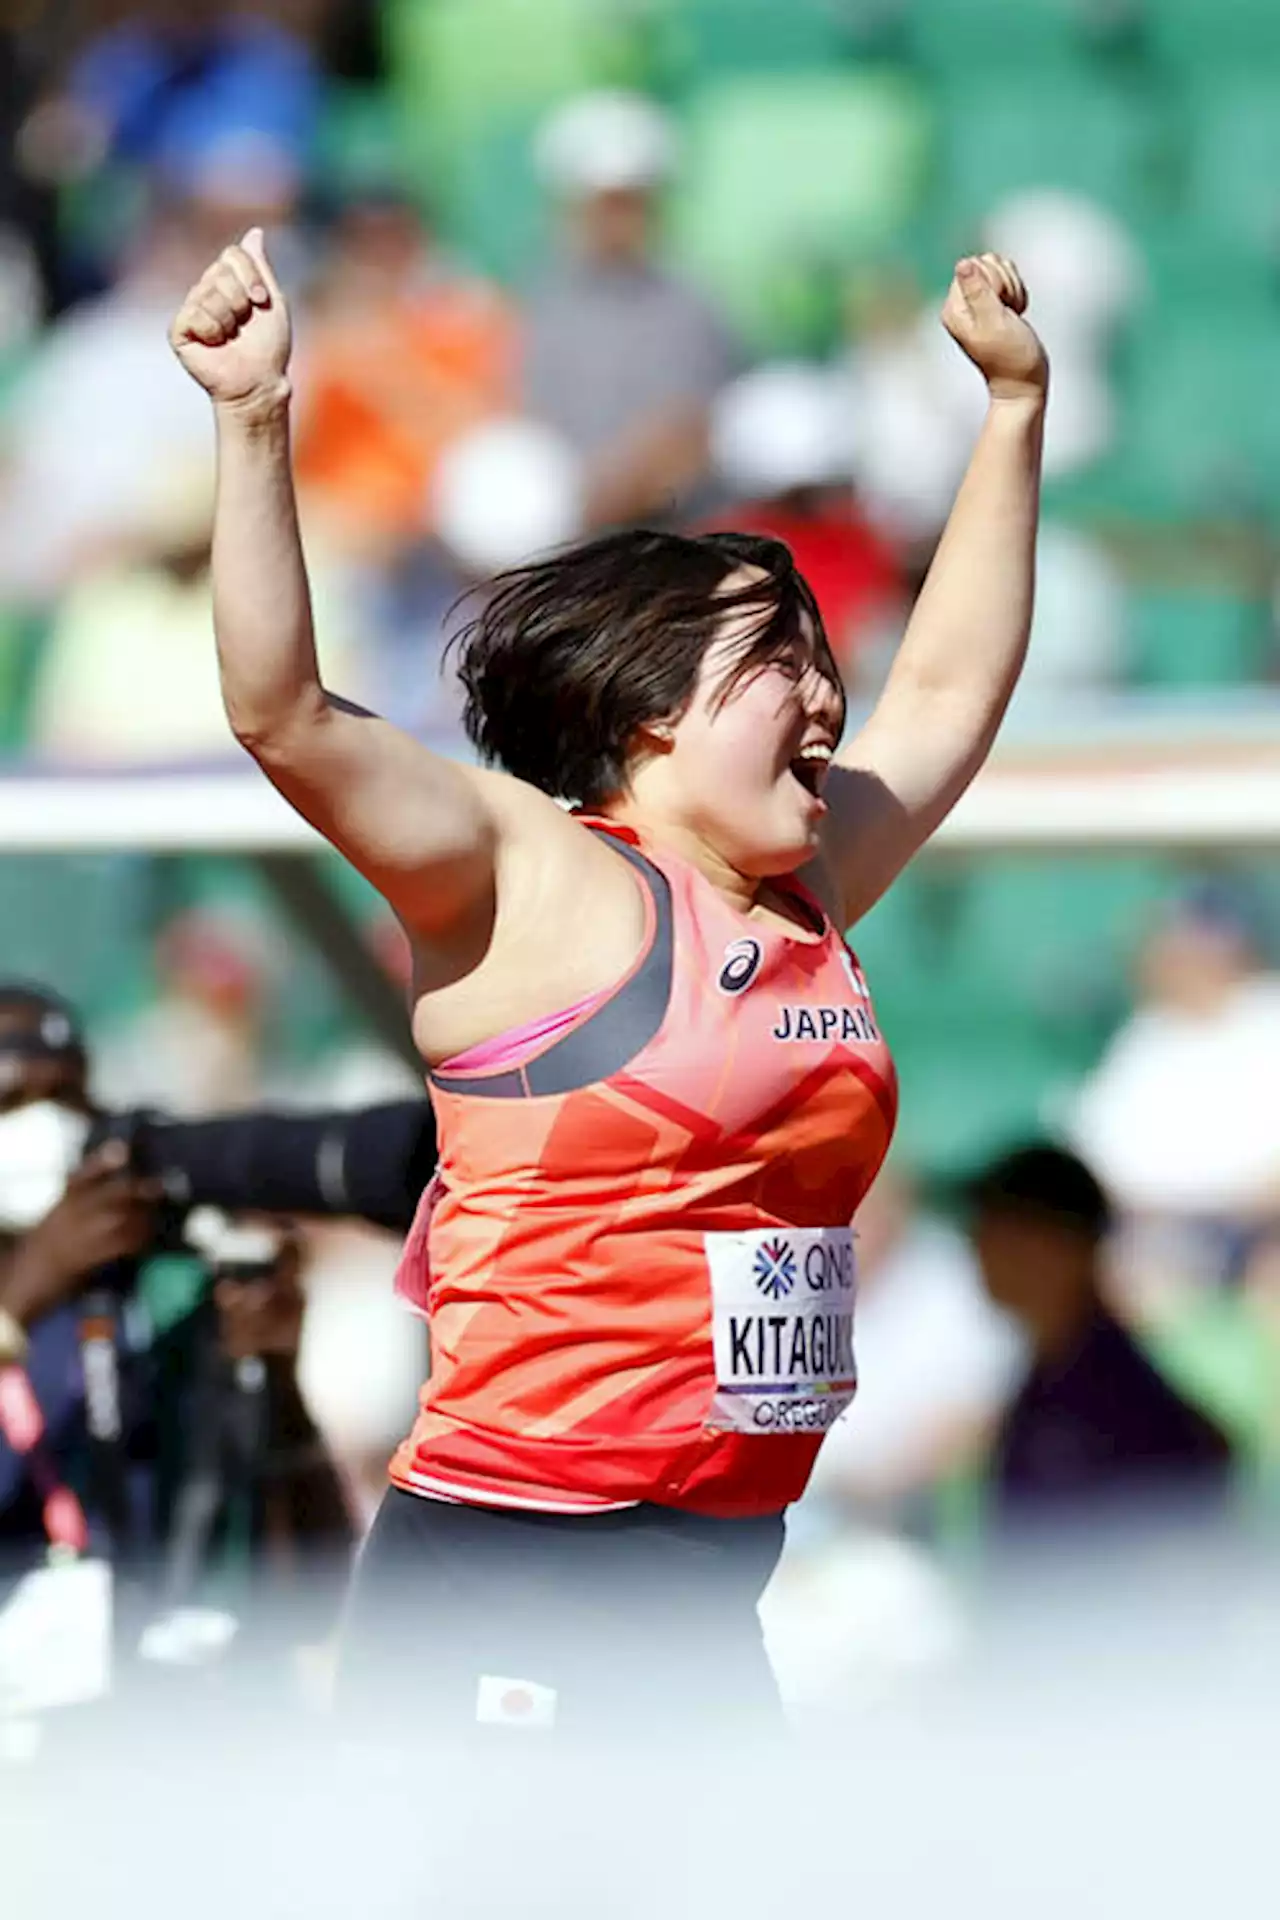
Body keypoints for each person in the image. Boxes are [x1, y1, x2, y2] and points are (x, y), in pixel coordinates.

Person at [169, 227, 1047, 1738]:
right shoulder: (534, 876)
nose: (829, 695)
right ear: (650, 719)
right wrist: (253, 422)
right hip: (513, 1578)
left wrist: (1015, 415)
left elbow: (956, 687)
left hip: (707, 1582)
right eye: (779, 663)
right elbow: (285, 714)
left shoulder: (806, 884)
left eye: (827, 660)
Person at [966, 1144, 1234, 1530]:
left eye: (1001, 1227)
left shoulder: (1119, 1395)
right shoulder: (1051, 1371)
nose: (980, 1245)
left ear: (1062, 1244)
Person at [525, 89, 739, 529]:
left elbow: (685, 439)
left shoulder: (691, 307)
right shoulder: (539, 301)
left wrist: (600, 500)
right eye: (601, 201)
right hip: (566, 540)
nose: (614, 218)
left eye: (628, 201)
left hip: (663, 539)